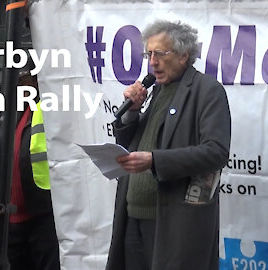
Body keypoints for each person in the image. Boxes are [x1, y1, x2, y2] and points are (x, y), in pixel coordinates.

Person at [105, 20, 231, 270]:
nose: (152, 62)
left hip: (172, 225)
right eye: (149, 53)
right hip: (133, 218)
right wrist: (132, 112)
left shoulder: (207, 91)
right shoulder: (157, 91)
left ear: (184, 55)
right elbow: (137, 143)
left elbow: (216, 152)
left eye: (160, 53)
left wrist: (155, 160)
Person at [6, 60, 61, 270]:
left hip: (41, 211)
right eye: (17, 80)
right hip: (11, 216)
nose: (20, 85)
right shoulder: (12, 113)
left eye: (24, 79)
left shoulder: (47, 110)